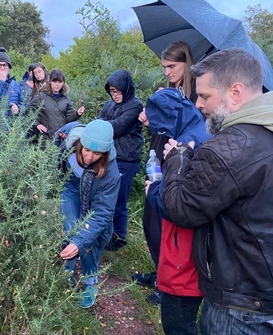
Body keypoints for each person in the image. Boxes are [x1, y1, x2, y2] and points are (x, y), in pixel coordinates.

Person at [162, 48, 273, 334]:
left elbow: (182, 208)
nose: (198, 104)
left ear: (235, 93)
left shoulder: (228, 149)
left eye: (206, 96)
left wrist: (177, 158)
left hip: (240, 304)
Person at [135, 40, 196, 305]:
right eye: (164, 67)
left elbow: (188, 134)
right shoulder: (169, 91)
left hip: (177, 164)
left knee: (166, 224)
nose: (168, 72)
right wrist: (151, 120)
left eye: (172, 66)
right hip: (157, 158)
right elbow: (162, 130)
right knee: (150, 221)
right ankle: (159, 272)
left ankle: (167, 284)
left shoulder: (195, 97)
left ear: (187, 63)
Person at [145, 88, 209, 335]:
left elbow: (180, 206)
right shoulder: (197, 131)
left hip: (183, 252)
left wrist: (154, 191)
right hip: (190, 249)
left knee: (177, 324)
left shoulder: (189, 145)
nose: (163, 133)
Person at [58, 120, 120, 309]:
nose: (89, 156)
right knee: (69, 230)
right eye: (86, 150)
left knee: (87, 239)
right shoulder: (69, 142)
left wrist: (80, 240)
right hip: (71, 188)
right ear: (80, 143)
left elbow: (102, 213)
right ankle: (67, 269)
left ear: (105, 153)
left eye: (97, 153)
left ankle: (89, 281)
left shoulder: (111, 173)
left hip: (94, 198)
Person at [97, 70, 143, 251]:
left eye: (117, 91)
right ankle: (108, 233)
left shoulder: (135, 106)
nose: (114, 94)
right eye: (112, 91)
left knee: (119, 199)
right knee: (106, 197)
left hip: (127, 159)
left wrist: (101, 127)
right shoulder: (110, 104)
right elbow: (99, 120)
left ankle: (119, 236)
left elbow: (116, 127)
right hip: (111, 157)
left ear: (126, 88)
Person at [27, 68, 84, 143]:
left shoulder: (66, 98)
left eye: (60, 81)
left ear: (63, 83)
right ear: (50, 81)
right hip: (45, 139)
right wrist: (37, 124)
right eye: (54, 81)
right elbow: (29, 110)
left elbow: (68, 119)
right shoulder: (42, 96)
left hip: (61, 138)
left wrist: (77, 114)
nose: (57, 84)